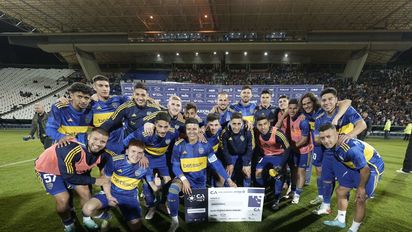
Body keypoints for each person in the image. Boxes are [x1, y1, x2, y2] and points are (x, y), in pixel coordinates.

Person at [34, 128, 113, 232]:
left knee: (86, 193)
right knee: (63, 199)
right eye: (95, 139)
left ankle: (87, 219)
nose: (98, 143)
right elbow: (69, 176)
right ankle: (68, 224)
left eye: (103, 141)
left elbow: (105, 176)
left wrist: (108, 194)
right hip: (48, 168)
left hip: (72, 168)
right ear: (88, 137)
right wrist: (95, 181)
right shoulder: (71, 148)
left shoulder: (105, 155)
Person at [167, 118, 236, 232]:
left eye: (194, 128)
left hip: (199, 181)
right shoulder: (178, 145)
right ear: (186, 130)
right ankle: (174, 222)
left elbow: (216, 164)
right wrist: (184, 179)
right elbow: (175, 166)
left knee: (198, 216)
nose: (192, 131)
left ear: (199, 129)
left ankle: (185, 200)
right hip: (183, 178)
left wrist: (229, 180)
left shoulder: (205, 145)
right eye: (189, 129)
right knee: (173, 190)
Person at [319, 123, 384, 232]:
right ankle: (340, 221)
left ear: (336, 133)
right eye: (322, 138)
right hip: (354, 166)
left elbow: (365, 169)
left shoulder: (350, 148)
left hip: (372, 168)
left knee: (360, 199)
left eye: (328, 136)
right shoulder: (334, 144)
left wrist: (361, 187)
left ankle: (353, 229)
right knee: (341, 191)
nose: (326, 141)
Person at [82, 140, 158, 231]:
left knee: (136, 227)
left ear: (143, 154)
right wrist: (109, 196)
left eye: (140, 153)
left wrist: (158, 184)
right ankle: (106, 216)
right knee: (87, 209)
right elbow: (106, 180)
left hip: (129, 196)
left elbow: (154, 188)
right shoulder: (115, 161)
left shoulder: (145, 166)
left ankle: (126, 213)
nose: (136, 155)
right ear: (127, 151)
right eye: (133, 151)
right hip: (112, 191)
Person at [313, 87, 367, 215]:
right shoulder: (319, 117)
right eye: (324, 100)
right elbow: (316, 138)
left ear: (337, 100)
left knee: (345, 183)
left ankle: (341, 214)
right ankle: (325, 205)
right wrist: (328, 139)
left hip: (346, 152)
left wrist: (348, 135)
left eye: (330, 99)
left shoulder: (346, 110)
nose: (327, 102)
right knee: (326, 179)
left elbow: (362, 124)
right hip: (329, 152)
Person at [123, 112, 179, 220]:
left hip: (161, 159)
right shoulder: (145, 132)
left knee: (168, 181)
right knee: (149, 185)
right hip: (147, 159)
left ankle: (162, 203)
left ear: (170, 125)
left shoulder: (174, 133)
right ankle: (152, 207)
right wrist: (141, 154)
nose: (163, 130)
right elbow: (126, 142)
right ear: (155, 124)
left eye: (166, 127)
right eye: (160, 126)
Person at [299, 92, 352, 205]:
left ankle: (341, 196)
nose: (306, 106)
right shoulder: (305, 115)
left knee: (334, 171)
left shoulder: (323, 109)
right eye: (304, 104)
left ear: (314, 102)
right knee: (319, 170)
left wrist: (337, 118)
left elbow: (347, 102)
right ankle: (321, 195)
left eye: (309, 103)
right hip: (317, 146)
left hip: (328, 144)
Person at [254, 115, 290, 210]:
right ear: (256, 126)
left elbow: (288, 148)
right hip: (265, 156)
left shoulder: (277, 133)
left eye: (265, 124)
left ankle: (276, 199)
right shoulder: (256, 132)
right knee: (258, 173)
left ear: (269, 124)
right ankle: (263, 193)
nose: (263, 127)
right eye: (260, 125)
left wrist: (282, 165)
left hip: (278, 156)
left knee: (278, 176)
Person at [90, 75, 129, 154]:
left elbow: (138, 100)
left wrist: (150, 99)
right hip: (100, 146)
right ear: (94, 87)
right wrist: (62, 100)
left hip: (118, 144)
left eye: (107, 86)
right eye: (100, 86)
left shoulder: (118, 99)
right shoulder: (90, 103)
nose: (105, 89)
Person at [287, 99, 313, 204]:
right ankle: (292, 190)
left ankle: (297, 195)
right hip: (295, 149)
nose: (292, 110)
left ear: (298, 108)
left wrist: (292, 147)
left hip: (304, 150)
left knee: (300, 172)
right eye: (290, 108)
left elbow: (304, 139)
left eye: (295, 108)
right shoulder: (289, 117)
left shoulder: (303, 121)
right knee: (293, 170)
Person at [221, 112, 254, 187]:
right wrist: (229, 163)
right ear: (230, 122)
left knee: (247, 173)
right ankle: (227, 194)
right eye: (234, 123)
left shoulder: (248, 130)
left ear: (242, 123)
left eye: (239, 124)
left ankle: (246, 193)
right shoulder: (225, 132)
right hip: (231, 156)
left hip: (244, 155)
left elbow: (250, 147)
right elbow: (224, 149)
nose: (236, 127)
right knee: (228, 175)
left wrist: (246, 163)